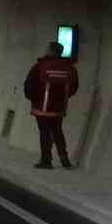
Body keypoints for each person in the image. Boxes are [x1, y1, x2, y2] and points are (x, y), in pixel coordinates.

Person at [23, 41, 79, 169]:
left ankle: (46, 160)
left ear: (50, 51)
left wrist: (33, 98)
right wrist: (63, 98)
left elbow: (29, 84)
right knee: (57, 130)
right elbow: (74, 86)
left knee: (44, 132)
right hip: (58, 108)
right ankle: (64, 159)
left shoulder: (40, 66)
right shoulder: (69, 67)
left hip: (41, 107)